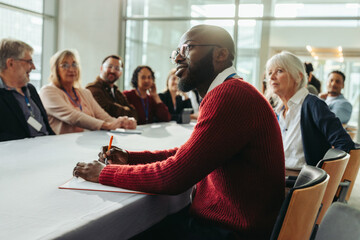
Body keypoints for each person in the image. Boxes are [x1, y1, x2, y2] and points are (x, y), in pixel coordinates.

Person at [74, 24, 285, 239]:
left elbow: (173, 176)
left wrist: (103, 173)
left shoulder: (229, 95)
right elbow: (189, 154)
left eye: (188, 48)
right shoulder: (231, 90)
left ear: (221, 54)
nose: (177, 58)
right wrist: (130, 158)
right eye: (176, 52)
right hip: (233, 224)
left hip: (230, 231)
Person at [266, 51, 354, 176]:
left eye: (279, 71)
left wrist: (321, 179)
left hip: (299, 183)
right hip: (277, 176)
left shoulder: (313, 105)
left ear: (298, 76)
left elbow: (344, 143)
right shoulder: (277, 111)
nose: (272, 77)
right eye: (269, 73)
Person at [39, 49, 136, 135]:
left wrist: (123, 123)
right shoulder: (48, 91)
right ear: (55, 69)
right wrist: (108, 125)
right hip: (60, 147)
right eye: (65, 65)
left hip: (87, 144)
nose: (71, 69)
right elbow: (73, 116)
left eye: (74, 64)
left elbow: (103, 116)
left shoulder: (85, 93)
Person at [0, 38, 55, 141]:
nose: (33, 67)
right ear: (11, 63)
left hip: (48, 148)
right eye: (29, 61)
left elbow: (45, 128)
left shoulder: (31, 89)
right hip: (19, 154)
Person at [86, 55, 138, 120]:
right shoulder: (92, 89)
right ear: (101, 68)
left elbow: (134, 115)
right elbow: (105, 113)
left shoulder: (117, 92)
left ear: (120, 73)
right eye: (109, 66)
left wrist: (113, 107)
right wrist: (125, 109)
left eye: (117, 68)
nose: (112, 71)